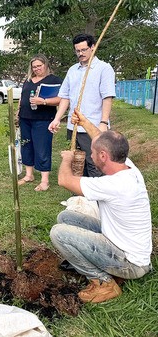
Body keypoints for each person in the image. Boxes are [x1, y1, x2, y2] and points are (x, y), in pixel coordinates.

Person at [50, 110, 152, 303]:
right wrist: (84, 122)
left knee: (58, 233)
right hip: (121, 244)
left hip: (130, 263)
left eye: (93, 153)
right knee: (66, 218)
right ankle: (106, 271)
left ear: (104, 156)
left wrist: (67, 159)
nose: (91, 155)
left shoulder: (113, 185)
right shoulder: (127, 166)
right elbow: (100, 139)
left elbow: (64, 180)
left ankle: (103, 283)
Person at [48, 34, 116, 176]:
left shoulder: (104, 68)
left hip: (93, 126)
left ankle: (96, 197)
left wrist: (103, 122)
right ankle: (78, 196)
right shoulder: (73, 70)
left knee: (95, 164)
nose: (81, 53)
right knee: (75, 164)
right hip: (73, 127)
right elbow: (65, 97)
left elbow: (107, 97)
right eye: (77, 51)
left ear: (93, 47)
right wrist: (56, 119)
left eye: (84, 50)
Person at [17, 55, 62, 191]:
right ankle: (29, 174)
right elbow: (22, 97)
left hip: (43, 119)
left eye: (39, 66)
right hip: (25, 118)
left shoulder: (54, 80)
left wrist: (43, 101)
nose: (36, 69)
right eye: (34, 66)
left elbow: (62, 99)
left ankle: (44, 180)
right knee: (27, 146)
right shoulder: (28, 80)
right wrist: (18, 113)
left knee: (42, 148)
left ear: (46, 65)